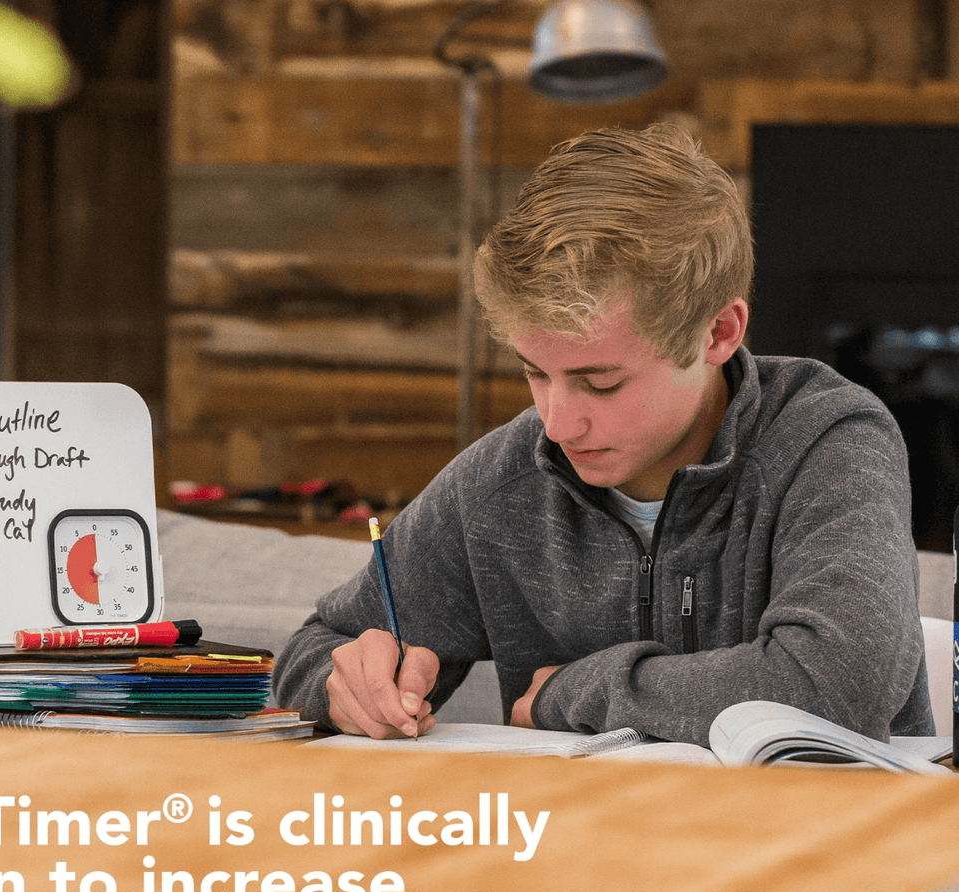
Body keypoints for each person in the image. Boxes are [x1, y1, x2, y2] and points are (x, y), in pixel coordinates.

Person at [272, 122, 932, 744]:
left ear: (719, 332)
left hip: (837, 851)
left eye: (602, 382)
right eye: (536, 372)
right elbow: (314, 646)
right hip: (587, 847)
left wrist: (572, 689)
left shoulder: (831, 441)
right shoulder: (502, 483)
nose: (558, 423)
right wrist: (344, 683)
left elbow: (838, 687)